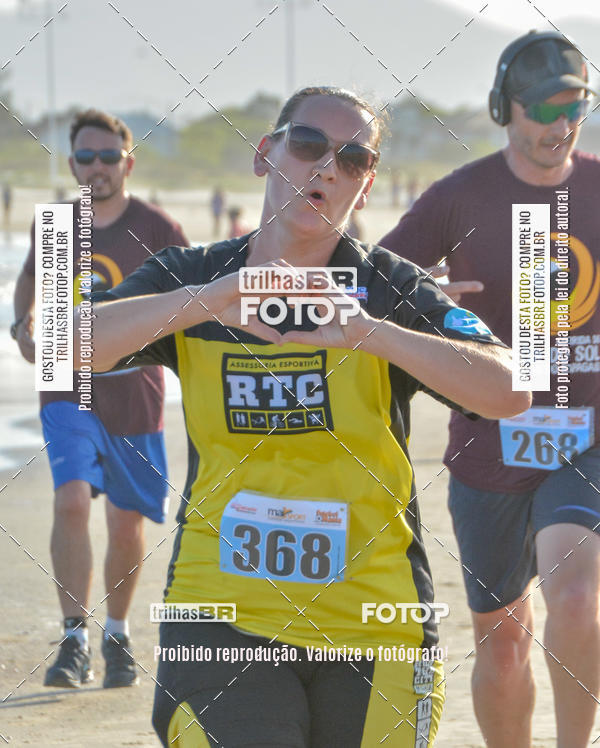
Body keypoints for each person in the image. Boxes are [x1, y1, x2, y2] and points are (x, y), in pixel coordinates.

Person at [81, 86, 528, 746]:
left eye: (352, 158)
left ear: (366, 185)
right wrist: (208, 301)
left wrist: (372, 334)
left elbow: (512, 389)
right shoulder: (198, 277)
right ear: (265, 153)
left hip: (375, 620)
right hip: (223, 612)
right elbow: (67, 345)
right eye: (309, 143)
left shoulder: (387, 288)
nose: (326, 167)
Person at [380, 32, 600, 748]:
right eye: (542, 108)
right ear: (505, 108)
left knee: (576, 597)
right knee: (503, 645)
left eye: (574, 106)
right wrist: (425, 299)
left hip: (587, 438)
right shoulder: (459, 196)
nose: (559, 124)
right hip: (488, 445)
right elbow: (372, 287)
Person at [12, 109, 189, 689]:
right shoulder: (59, 225)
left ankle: (117, 633)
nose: (97, 167)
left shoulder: (156, 228)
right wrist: (21, 324)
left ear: (127, 163)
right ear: (72, 164)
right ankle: (73, 639)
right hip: (66, 384)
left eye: (108, 157)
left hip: (136, 391)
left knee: (125, 520)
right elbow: (31, 280)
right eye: (86, 157)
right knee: (70, 502)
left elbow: (192, 297)